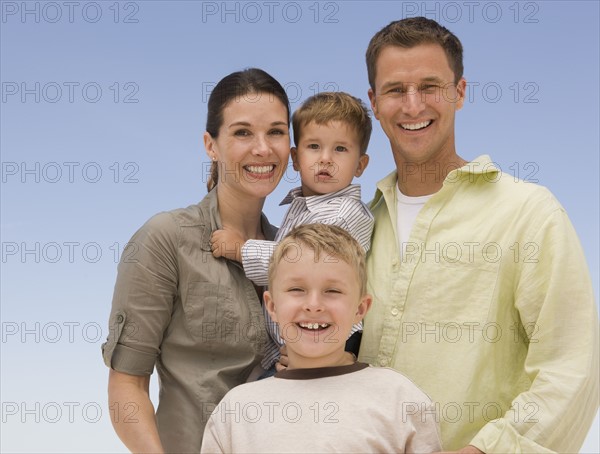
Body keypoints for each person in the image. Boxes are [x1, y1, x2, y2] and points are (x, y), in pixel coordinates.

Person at [358, 17, 599, 453]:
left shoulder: (528, 212)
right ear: (374, 102)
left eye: (430, 87)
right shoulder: (357, 226)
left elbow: (572, 370)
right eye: (395, 90)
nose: (413, 106)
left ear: (460, 93)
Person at [101, 68, 291, 453]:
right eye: (242, 133)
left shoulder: (294, 253)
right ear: (211, 145)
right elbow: (127, 384)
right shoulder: (165, 238)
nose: (262, 148)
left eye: (276, 131)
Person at [201, 223, 443, 453]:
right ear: (272, 306)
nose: (314, 305)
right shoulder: (236, 410)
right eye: (297, 289)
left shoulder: (399, 397)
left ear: (360, 309)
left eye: (333, 291)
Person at [211, 92, 374, 374]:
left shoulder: (344, 213)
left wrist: (240, 249)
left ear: (360, 164)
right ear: (296, 158)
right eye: (314, 146)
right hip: (296, 342)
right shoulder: (302, 207)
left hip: (332, 342)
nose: (325, 160)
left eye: (340, 149)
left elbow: (299, 264)